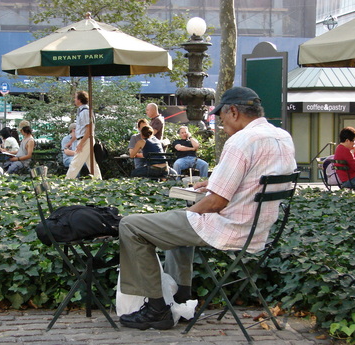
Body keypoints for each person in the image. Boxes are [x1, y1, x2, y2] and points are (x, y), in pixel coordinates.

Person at [118, 86, 296, 330]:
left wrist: (189, 211)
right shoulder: (282, 137)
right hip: (258, 230)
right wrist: (212, 183)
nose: (222, 126)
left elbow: (216, 203)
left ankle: (156, 309)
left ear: (233, 111)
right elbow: (256, 178)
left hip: (227, 227)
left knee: (130, 225)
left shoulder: (241, 141)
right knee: (177, 233)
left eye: (222, 119)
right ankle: (182, 300)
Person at [65, 91, 102, 179]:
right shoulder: (82, 111)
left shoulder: (85, 112)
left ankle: (67, 181)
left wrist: (81, 144)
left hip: (85, 140)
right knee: (91, 163)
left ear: (80, 100)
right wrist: (71, 141)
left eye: (75, 98)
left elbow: (89, 129)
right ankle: (99, 181)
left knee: (75, 163)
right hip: (84, 139)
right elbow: (80, 130)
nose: (74, 100)